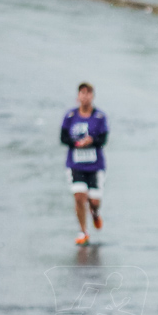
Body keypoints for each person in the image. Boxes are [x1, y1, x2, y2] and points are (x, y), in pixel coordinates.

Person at [60, 82, 108, 246]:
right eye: (82, 93)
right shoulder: (70, 116)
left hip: (95, 165)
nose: (85, 96)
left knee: (93, 201)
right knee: (79, 197)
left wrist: (91, 141)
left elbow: (103, 139)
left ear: (92, 96)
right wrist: (76, 144)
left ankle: (95, 213)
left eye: (88, 93)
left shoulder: (99, 117)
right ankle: (83, 231)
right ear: (78, 96)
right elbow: (63, 138)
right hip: (76, 164)